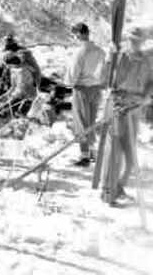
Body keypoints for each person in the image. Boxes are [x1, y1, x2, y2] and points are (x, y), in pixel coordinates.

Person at [100, 27, 153, 204]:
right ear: (128, 40)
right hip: (118, 107)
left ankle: (119, 186)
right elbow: (104, 78)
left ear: (143, 42)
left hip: (135, 109)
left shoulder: (147, 61)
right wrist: (109, 57)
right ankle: (108, 192)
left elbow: (151, 83)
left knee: (130, 158)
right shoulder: (119, 56)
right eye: (132, 40)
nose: (135, 43)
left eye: (138, 40)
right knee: (113, 153)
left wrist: (147, 96)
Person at [65, 22, 106, 166]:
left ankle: (84, 155)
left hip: (81, 89)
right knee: (91, 121)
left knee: (81, 121)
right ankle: (92, 151)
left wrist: (69, 83)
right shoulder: (100, 51)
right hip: (96, 88)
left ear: (78, 34)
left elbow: (72, 75)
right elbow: (103, 71)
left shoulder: (79, 52)